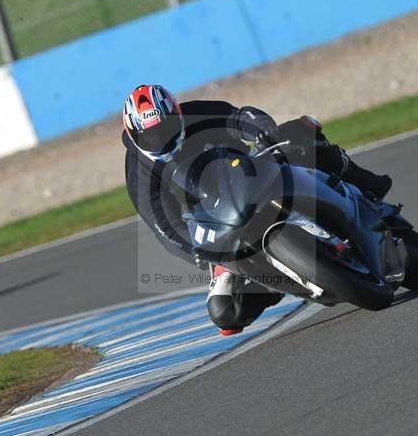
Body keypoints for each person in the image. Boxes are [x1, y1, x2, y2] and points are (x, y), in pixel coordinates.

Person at [122, 84, 392, 335]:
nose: (160, 139)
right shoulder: (138, 172)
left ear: (177, 114)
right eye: (150, 135)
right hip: (214, 225)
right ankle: (273, 281)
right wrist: (196, 252)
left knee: (300, 134)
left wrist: (262, 132)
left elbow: (241, 117)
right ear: (134, 135)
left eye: (165, 128)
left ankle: (363, 185)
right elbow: (163, 225)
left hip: (251, 173)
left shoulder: (198, 113)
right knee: (224, 313)